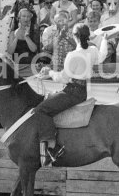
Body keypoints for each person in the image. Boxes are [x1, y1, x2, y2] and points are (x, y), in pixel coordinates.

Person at [37, 24, 108, 167]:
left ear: (74, 36)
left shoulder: (73, 55)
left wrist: (48, 72)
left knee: (41, 110)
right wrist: (104, 39)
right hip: (82, 91)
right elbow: (102, 56)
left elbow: (62, 78)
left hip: (72, 91)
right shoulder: (93, 50)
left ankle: (52, 147)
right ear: (88, 36)